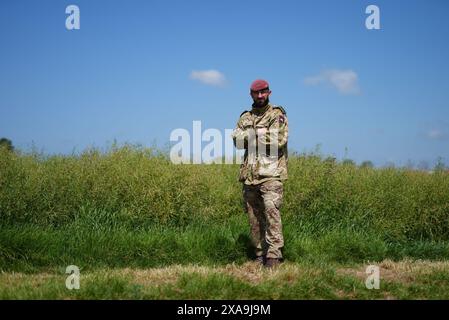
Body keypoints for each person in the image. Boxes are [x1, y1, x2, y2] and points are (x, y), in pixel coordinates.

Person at [231, 79, 288, 268]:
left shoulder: (276, 114)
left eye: (264, 92)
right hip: (250, 175)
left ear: (269, 93)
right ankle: (258, 254)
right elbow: (236, 141)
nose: (260, 96)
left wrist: (250, 136)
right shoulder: (245, 117)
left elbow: (278, 140)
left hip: (271, 173)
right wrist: (259, 134)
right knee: (253, 217)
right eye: (257, 93)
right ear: (251, 95)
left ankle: (274, 256)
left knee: (272, 212)